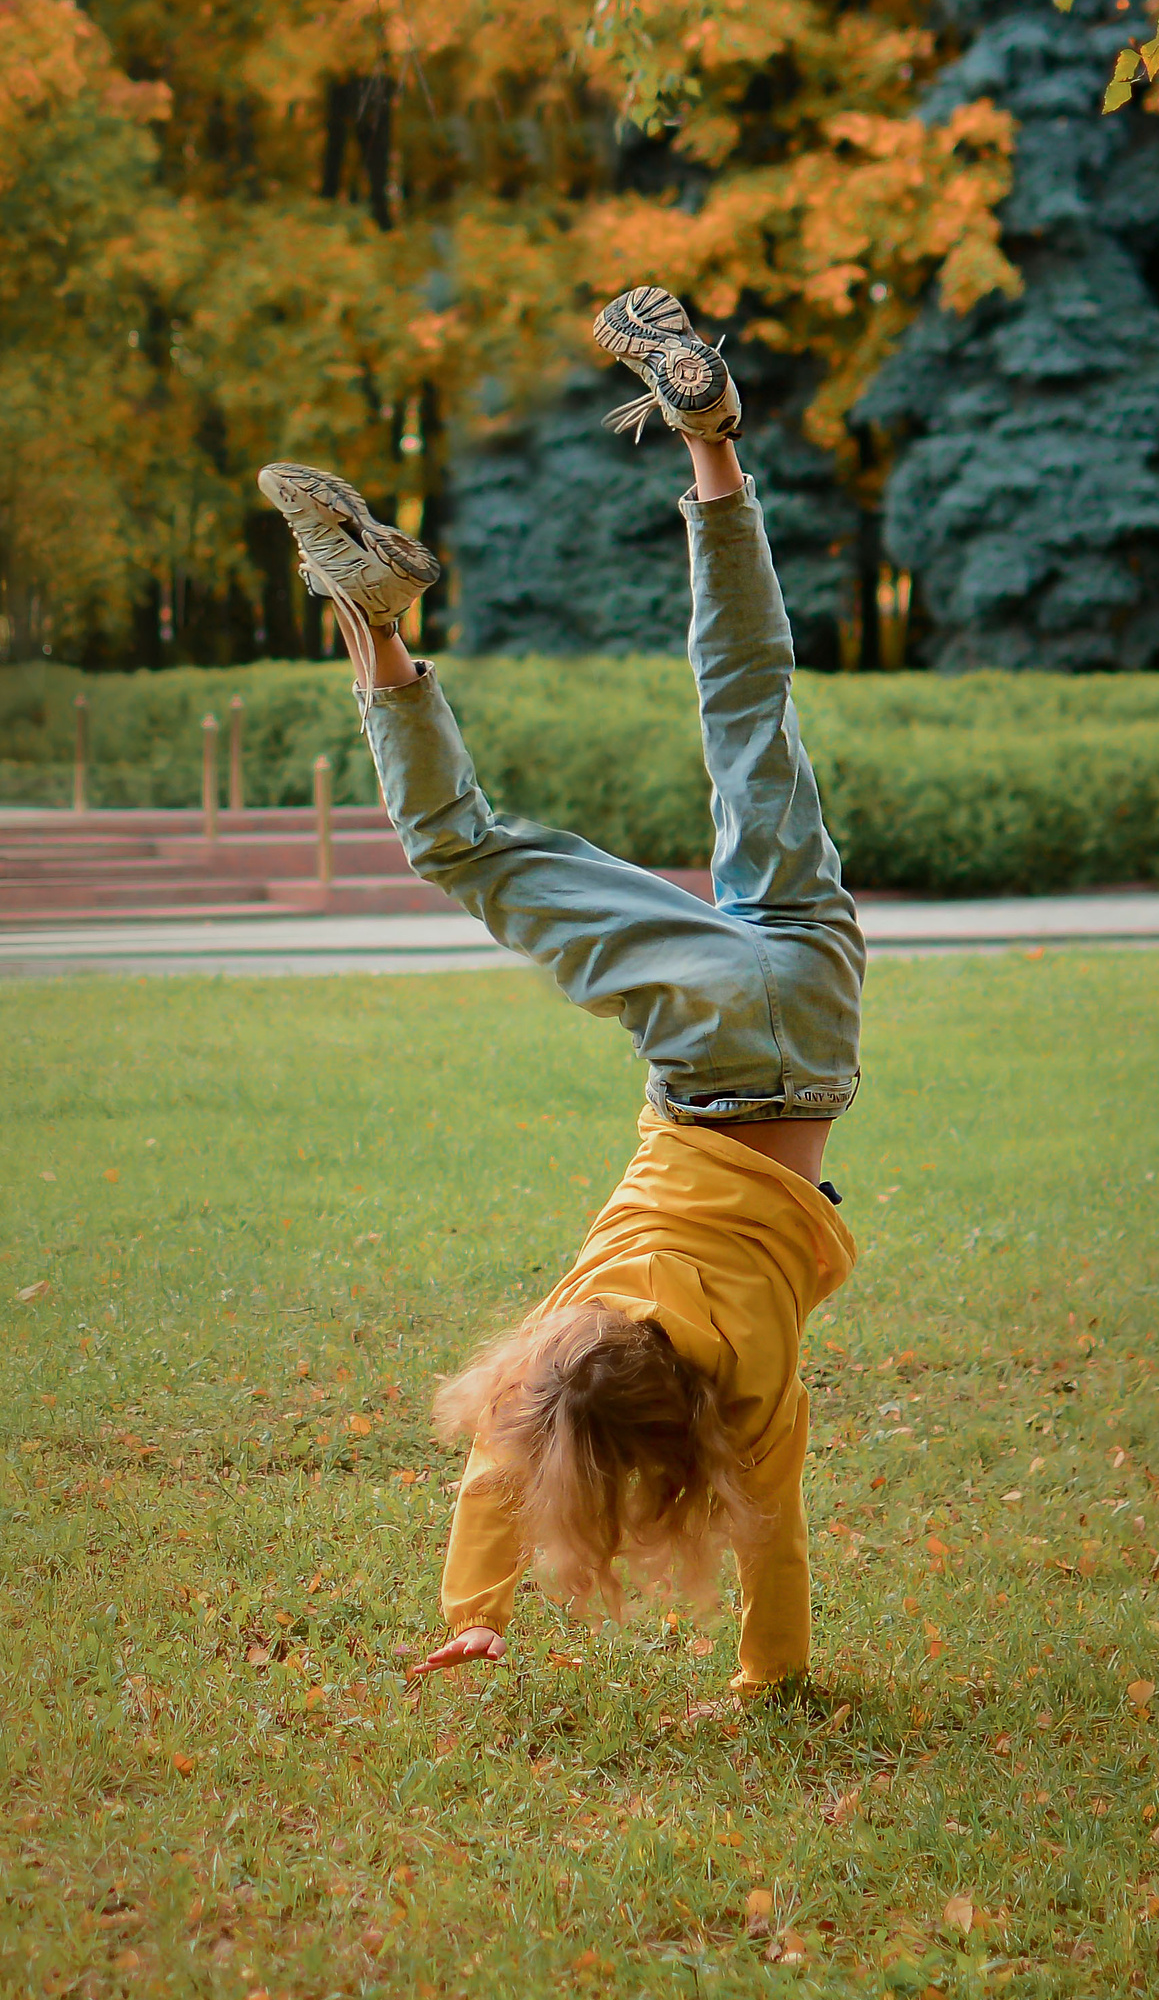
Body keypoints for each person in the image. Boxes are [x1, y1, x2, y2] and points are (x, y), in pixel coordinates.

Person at [257, 286, 865, 1693]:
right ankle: (389, 625)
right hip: (707, 1035)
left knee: (750, 705)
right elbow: (504, 1448)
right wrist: (472, 1597)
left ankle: (705, 448)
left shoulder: (753, 1383)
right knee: (467, 844)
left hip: (817, 1005)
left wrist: (766, 1675)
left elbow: (773, 1537)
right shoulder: (585, 1304)